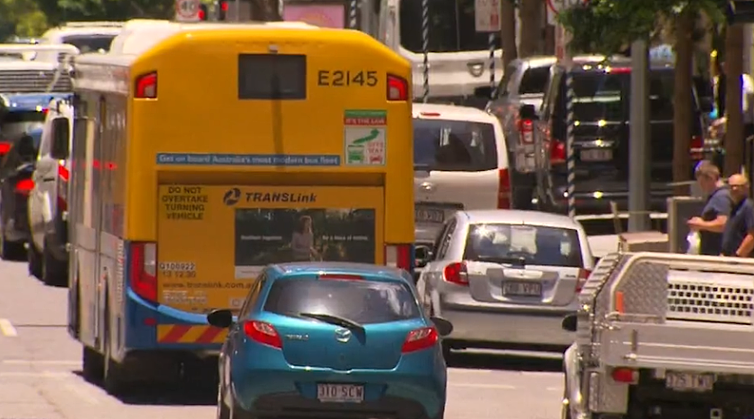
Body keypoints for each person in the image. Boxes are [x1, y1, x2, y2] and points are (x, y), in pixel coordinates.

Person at [687, 161, 731, 255]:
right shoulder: (716, 196)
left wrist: (701, 225)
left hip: (717, 253)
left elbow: (723, 224)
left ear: (711, 178)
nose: (701, 187)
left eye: (702, 183)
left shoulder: (721, 197)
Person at [721, 174, 754, 257]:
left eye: (738, 186)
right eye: (731, 186)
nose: (734, 189)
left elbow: (752, 235)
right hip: (729, 258)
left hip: (741, 261)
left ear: (746, 187)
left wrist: (738, 255)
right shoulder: (734, 207)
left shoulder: (749, 207)